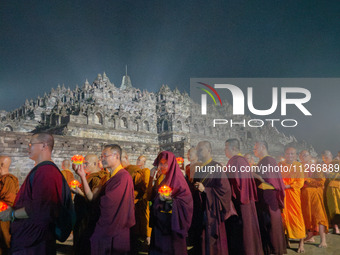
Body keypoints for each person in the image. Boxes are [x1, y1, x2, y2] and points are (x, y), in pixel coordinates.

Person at [0, 133, 64, 254]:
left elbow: (40, 209)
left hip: (35, 241)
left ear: (44, 146)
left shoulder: (46, 172)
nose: (28, 148)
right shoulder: (41, 170)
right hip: (30, 237)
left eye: (31, 144)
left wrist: (11, 214)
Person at [73, 144, 135, 255]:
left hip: (115, 228)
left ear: (116, 156)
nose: (102, 159)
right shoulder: (107, 177)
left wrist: (97, 203)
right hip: (104, 225)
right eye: (101, 156)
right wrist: (82, 176)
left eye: (104, 156)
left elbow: (109, 204)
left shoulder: (123, 177)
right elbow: (92, 197)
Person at [192, 141, 236, 255]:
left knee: (213, 241)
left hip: (213, 210)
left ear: (209, 150)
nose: (198, 152)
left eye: (200, 150)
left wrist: (206, 190)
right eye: (197, 150)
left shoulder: (216, 167)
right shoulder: (199, 169)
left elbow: (225, 190)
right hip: (201, 208)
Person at [149, 151, 193, 255]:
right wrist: (152, 178)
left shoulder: (178, 179)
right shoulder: (162, 178)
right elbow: (150, 197)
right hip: (160, 223)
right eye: (161, 163)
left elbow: (187, 202)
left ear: (172, 164)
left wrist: (171, 201)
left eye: (165, 163)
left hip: (172, 223)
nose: (162, 166)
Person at [225, 138, 263, 255]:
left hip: (241, 200)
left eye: (226, 148)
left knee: (245, 230)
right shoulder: (237, 160)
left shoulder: (238, 161)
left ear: (234, 148)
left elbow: (238, 182)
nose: (224, 150)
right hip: (243, 198)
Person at [253, 141, 286, 255]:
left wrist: (253, 174)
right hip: (264, 197)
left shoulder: (268, 161)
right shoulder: (263, 161)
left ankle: (275, 250)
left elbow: (270, 181)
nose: (254, 149)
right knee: (267, 225)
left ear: (263, 147)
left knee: (271, 224)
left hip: (268, 197)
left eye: (256, 147)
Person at [72, 154, 109, 255]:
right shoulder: (88, 176)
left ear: (95, 163)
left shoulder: (99, 178)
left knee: (85, 245)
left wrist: (79, 193)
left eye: (86, 163)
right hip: (81, 216)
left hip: (89, 217)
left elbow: (93, 199)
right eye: (83, 163)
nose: (83, 166)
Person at [278, 147, 305, 253]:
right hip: (282, 195)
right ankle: (285, 241)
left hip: (293, 195)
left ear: (295, 155)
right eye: (288, 154)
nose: (289, 156)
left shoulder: (299, 166)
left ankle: (301, 243)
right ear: (284, 154)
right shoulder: (280, 165)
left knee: (297, 217)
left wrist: (288, 186)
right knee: (283, 217)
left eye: (292, 154)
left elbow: (300, 182)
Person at [299, 151, 328, 247]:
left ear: (310, 156)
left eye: (305, 155)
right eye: (302, 155)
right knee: (307, 216)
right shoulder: (299, 167)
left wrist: (307, 180)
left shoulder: (315, 167)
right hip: (304, 195)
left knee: (319, 216)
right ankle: (310, 236)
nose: (303, 157)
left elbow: (321, 181)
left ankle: (323, 241)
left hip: (315, 194)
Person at [121, 151, 147, 254]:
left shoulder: (134, 170)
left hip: (132, 205)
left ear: (126, 158)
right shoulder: (120, 171)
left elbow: (142, 188)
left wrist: (132, 195)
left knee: (132, 235)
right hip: (121, 208)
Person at [0, 156, 19, 255]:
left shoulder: (8, 180)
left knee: (4, 243)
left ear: (2, 165)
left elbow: (10, 201)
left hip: (4, 219)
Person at [136, 155, 152, 245]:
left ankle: (148, 236)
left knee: (146, 217)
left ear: (144, 163)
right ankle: (140, 234)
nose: (138, 162)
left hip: (144, 197)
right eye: (138, 160)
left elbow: (145, 185)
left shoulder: (146, 171)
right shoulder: (137, 171)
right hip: (137, 198)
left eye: (140, 160)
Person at [324, 150, 340, 234]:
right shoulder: (335, 162)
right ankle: (336, 228)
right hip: (334, 187)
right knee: (335, 208)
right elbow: (331, 175)